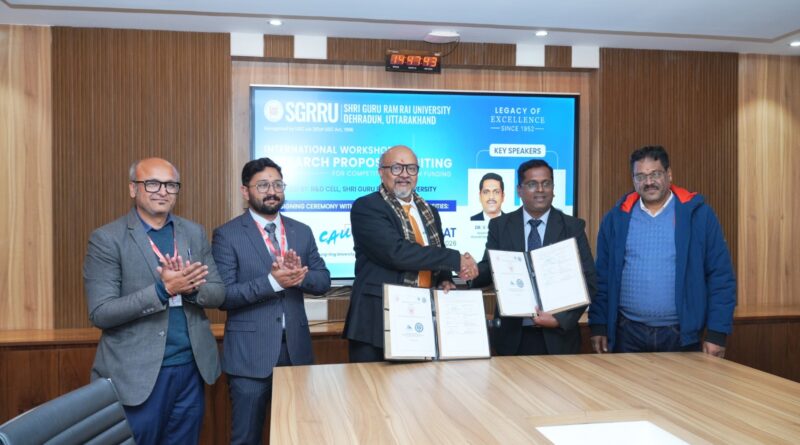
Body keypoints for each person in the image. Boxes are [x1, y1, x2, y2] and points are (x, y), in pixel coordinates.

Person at [83, 157, 225, 444]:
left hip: (191, 368)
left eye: (171, 185)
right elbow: (101, 312)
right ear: (133, 189)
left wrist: (189, 289)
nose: (163, 191)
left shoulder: (193, 232)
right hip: (137, 375)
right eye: (152, 184)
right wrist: (163, 291)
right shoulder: (107, 239)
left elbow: (218, 292)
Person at [212, 157, 331, 445]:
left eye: (278, 184)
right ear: (245, 191)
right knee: (247, 439)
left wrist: (299, 277)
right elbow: (224, 296)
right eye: (263, 185)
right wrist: (273, 282)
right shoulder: (227, 235)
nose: (272, 191)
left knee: (298, 437)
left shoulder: (301, 231)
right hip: (250, 359)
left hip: (297, 354)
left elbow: (323, 281)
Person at [589, 145, 736, 357]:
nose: (648, 182)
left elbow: (720, 276)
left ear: (669, 174)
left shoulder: (699, 216)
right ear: (633, 180)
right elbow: (602, 277)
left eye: (655, 174)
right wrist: (599, 324)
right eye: (640, 176)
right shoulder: (615, 219)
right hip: (627, 333)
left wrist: (717, 333)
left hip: (681, 335)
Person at [343, 145, 479, 362]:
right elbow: (396, 253)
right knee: (372, 384)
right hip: (377, 322)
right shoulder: (367, 207)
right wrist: (455, 259)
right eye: (396, 168)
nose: (405, 174)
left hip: (422, 319)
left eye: (411, 168)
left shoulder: (429, 211)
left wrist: (444, 279)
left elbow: (435, 252)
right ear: (381, 172)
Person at [472, 159, 596, 355]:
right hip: (512, 337)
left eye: (546, 183)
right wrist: (471, 271)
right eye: (532, 184)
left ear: (553, 188)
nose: (540, 190)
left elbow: (589, 281)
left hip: (558, 338)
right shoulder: (500, 226)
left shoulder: (572, 227)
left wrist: (559, 319)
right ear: (519, 190)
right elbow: (490, 269)